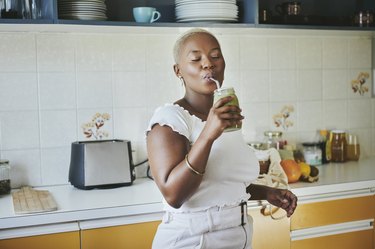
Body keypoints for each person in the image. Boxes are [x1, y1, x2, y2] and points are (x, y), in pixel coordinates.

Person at [146, 28, 297, 249]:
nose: (208, 64)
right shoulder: (169, 119)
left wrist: (267, 192)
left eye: (215, 56)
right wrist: (208, 134)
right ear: (178, 71)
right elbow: (174, 195)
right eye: (196, 59)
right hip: (192, 241)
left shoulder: (225, 119)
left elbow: (220, 184)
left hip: (238, 237)